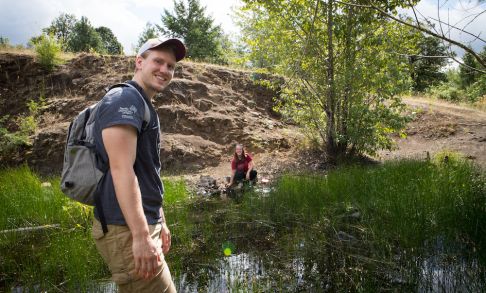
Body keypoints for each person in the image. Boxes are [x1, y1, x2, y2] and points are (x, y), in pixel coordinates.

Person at [91, 38, 186, 293]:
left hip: (140, 222)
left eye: (171, 66)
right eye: (158, 61)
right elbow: (122, 170)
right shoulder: (124, 100)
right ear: (139, 62)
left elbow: (147, 172)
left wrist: (160, 219)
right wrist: (142, 236)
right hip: (126, 228)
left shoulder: (142, 105)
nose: (165, 70)